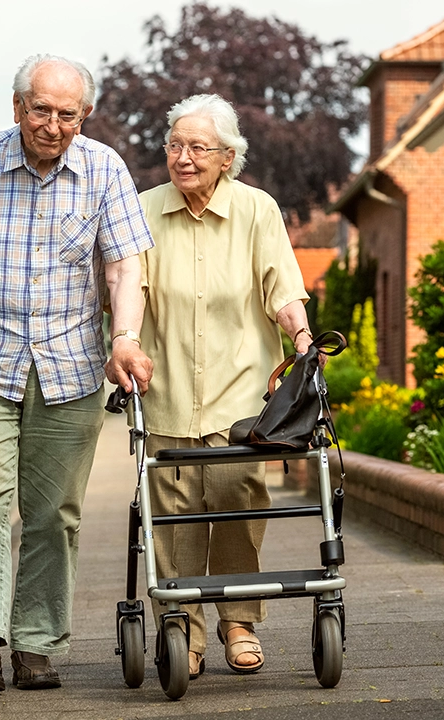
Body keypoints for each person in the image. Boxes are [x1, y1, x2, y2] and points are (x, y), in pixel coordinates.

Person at [0, 54, 154, 694]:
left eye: (68, 114)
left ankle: (37, 644)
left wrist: (123, 339)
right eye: (40, 110)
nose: (53, 124)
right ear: (17, 107)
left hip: (69, 370)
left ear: (85, 116)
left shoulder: (104, 171)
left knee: (53, 514)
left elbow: (125, 267)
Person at [136, 94, 312, 680]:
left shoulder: (257, 210)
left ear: (227, 157)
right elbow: (128, 293)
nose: (183, 158)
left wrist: (303, 338)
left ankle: (239, 620)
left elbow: (281, 287)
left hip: (239, 401)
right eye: (175, 146)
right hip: (166, 394)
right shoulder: (142, 211)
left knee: (238, 500)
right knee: (175, 514)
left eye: (197, 148)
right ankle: (182, 627)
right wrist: (123, 341)